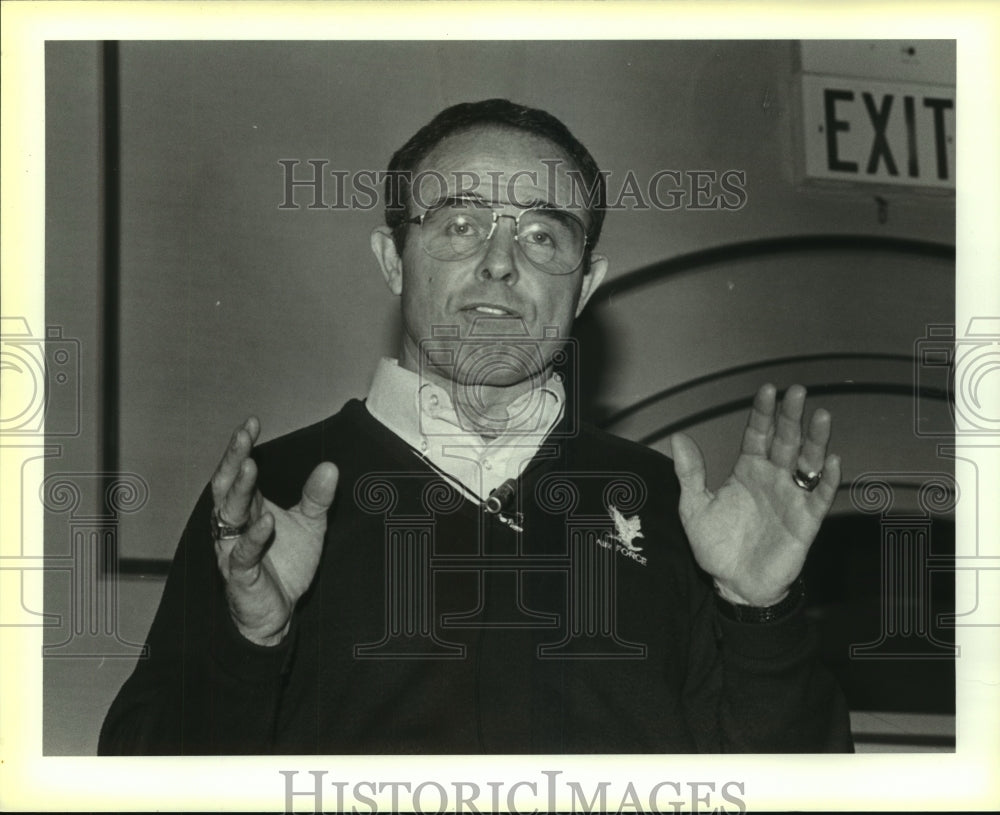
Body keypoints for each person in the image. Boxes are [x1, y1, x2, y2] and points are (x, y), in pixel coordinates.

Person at [99, 99, 853, 754]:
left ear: (584, 285)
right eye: (460, 224)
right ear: (393, 259)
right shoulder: (272, 499)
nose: (499, 263)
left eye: (542, 236)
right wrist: (249, 644)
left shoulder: (674, 511)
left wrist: (761, 616)